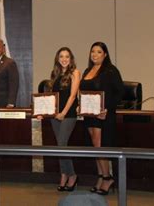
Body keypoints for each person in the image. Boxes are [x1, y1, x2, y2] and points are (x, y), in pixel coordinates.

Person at [80, 42, 123, 195]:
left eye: (99, 52)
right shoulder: (87, 70)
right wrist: (80, 105)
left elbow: (120, 93)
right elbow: (83, 91)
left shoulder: (111, 71)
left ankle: (107, 177)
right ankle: (100, 176)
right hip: (89, 114)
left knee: (99, 146)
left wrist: (106, 109)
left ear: (105, 54)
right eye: (93, 51)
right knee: (94, 146)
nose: (95, 54)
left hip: (103, 115)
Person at [46, 47, 80, 191]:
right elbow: (51, 97)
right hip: (55, 115)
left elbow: (73, 96)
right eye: (61, 56)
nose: (64, 59)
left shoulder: (75, 73)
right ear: (57, 59)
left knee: (62, 143)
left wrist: (64, 113)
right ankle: (64, 174)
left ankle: (72, 175)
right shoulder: (55, 74)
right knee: (59, 146)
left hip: (68, 114)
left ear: (71, 59)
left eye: (67, 56)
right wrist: (45, 112)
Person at [0, 38, 19, 107]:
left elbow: (14, 84)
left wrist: (11, 103)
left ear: (3, 49)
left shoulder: (10, 63)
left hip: (4, 104)